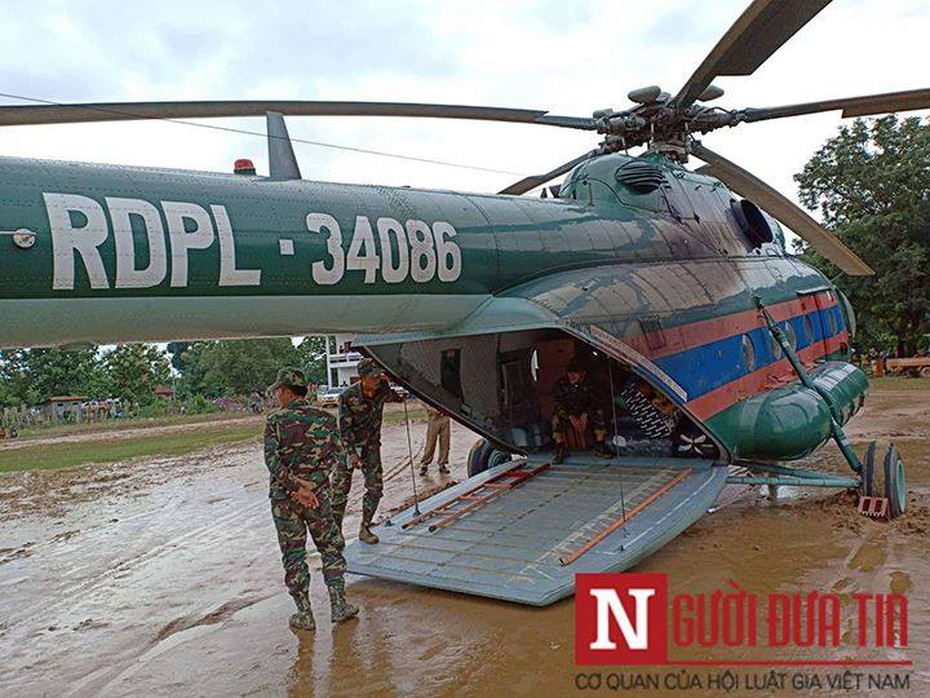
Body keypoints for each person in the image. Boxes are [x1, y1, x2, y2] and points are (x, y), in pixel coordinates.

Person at [264, 367, 358, 632]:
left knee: (294, 554)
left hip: (285, 500)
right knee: (330, 547)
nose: (277, 397)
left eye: (278, 392)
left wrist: (295, 487)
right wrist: (312, 485)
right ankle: (339, 605)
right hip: (317, 497)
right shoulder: (326, 419)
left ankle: (305, 614)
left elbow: (272, 462)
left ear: (284, 391)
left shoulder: (274, 420)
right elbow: (339, 458)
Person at [332, 358, 402, 544]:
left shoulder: (383, 388)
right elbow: (344, 430)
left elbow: (395, 396)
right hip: (348, 447)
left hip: (371, 446)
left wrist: (402, 387)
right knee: (339, 491)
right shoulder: (348, 396)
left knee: (375, 488)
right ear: (362, 378)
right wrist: (352, 454)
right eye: (373, 377)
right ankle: (335, 533)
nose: (377, 379)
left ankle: (365, 527)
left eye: (378, 376)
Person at [551, 357, 610, 463]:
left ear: (582, 374)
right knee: (556, 417)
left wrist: (586, 414)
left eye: (575, 373)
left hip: (586, 412)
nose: (572, 376)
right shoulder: (561, 384)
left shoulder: (591, 383)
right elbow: (557, 404)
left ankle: (599, 445)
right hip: (569, 414)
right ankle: (560, 447)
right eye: (570, 373)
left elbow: (597, 401)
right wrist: (570, 416)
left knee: (600, 412)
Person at [419, 406, 451, 476]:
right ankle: (425, 464)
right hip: (433, 418)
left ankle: (442, 464)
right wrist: (431, 409)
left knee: (445, 443)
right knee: (431, 442)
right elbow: (423, 401)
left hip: (445, 417)